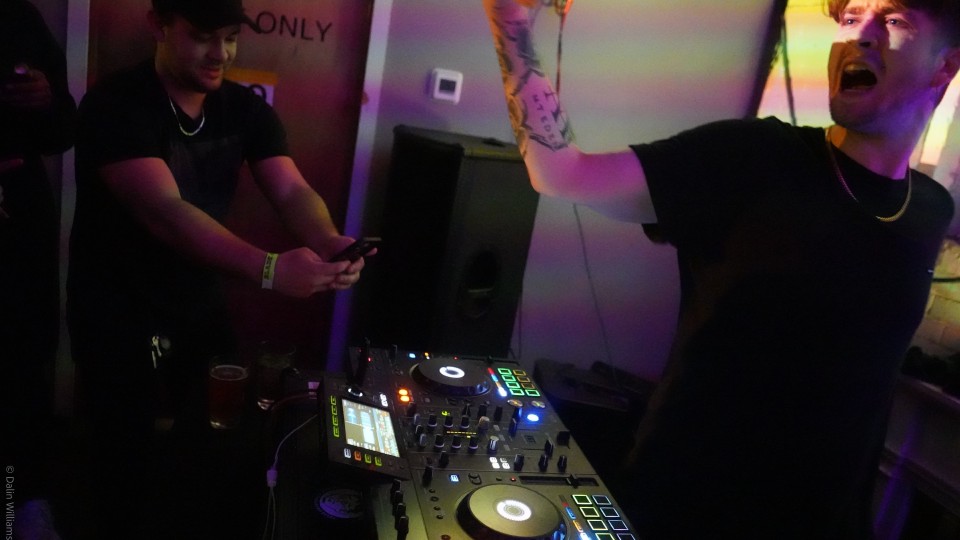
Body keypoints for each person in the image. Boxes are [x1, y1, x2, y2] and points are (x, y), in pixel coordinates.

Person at [483, 0, 960, 537]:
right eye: (850, 18)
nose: (858, 36)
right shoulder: (755, 156)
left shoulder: (930, 209)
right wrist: (510, 18)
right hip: (684, 513)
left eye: (893, 21)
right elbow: (561, 173)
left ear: (945, 66)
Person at [66, 0, 369, 536]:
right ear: (159, 25)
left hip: (196, 303)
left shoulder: (244, 109)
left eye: (230, 38)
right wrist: (270, 269)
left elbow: (291, 189)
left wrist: (328, 241)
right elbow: (166, 212)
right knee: (122, 451)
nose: (221, 53)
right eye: (203, 36)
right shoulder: (115, 104)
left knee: (215, 438)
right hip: (116, 306)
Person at [0, 1, 77, 538]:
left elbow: (62, 129)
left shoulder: (17, 14)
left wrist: (47, 102)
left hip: (18, 219)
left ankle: (21, 499)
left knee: (22, 365)